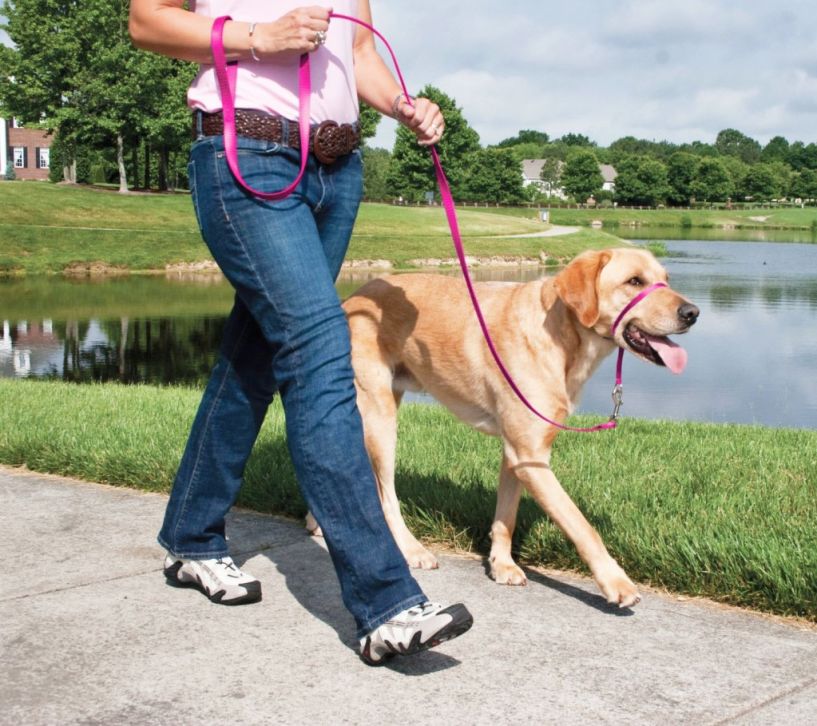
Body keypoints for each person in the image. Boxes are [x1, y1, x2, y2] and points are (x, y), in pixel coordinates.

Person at [128, 0, 473, 665]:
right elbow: (147, 22)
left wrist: (401, 106)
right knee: (319, 356)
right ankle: (386, 604)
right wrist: (257, 37)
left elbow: (360, 55)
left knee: (254, 357)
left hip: (336, 174)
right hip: (245, 156)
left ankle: (192, 538)